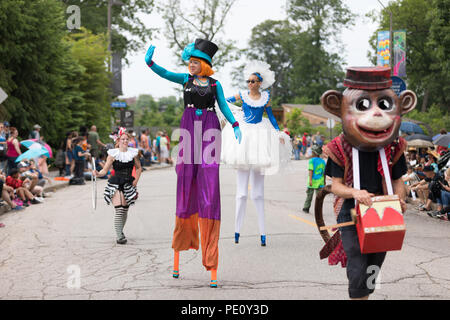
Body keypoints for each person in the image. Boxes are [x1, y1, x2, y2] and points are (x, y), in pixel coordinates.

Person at [145, 39, 242, 288]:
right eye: (189, 62)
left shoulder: (215, 84)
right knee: (186, 187)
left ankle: (211, 259)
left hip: (210, 132)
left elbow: (222, 106)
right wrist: (151, 63)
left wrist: (234, 124)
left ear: (204, 64)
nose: (191, 65)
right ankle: (181, 246)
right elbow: (165, 73)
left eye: (194, 62)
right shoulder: (185, 80)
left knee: (210, 190)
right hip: (189, 132)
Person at [318, 66, 417, 300]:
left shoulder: (394, 147)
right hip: (351, 210)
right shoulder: (339, 147)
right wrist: (355, 192)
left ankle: (366, 294)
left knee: (376, 260)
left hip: (383, 209)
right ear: (337, 106)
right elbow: (335, 185)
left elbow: (398, 180)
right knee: (356, 256)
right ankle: (358, 296)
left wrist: (399, 198)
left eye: (383, 105)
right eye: (363, 105)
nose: (375, 114)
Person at [222, 60, 291, 247]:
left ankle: (262, 233)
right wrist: (234, 117)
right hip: (244, 137)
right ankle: (237, 231)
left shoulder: (266, 97)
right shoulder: (242, 95)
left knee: (258, 194)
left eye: (254, 81)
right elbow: (224, 101)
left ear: (260, 82)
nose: (250, 84)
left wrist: (278, 133)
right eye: (248, 81)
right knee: (241, 193)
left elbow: (271, 116)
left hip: (261, 137)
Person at [94, 128, 142, 244]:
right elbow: (104, 171)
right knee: (119, 209)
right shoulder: (113, 154)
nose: (125, 141)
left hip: (128, 183)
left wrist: (136, 181)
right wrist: (97, 173)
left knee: (125, 210)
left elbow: (139, 168)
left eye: (127, 139)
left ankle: (120, 230)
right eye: (123, 139)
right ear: (118, 140)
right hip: (115, 183)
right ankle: (119, 236)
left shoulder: (133, 153)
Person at [302, 145, 326, 214]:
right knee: (319, 198)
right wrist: (324, 181)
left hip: (312, 182)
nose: (311, 153)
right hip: (320, 182)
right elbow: (324, 172)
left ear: (314, 153)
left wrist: (310, 180)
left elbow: (311, 170)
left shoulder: (311, 161)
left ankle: (306, 208)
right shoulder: (323, 161)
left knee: (309, 196)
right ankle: (318, 210)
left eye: (312, 152)